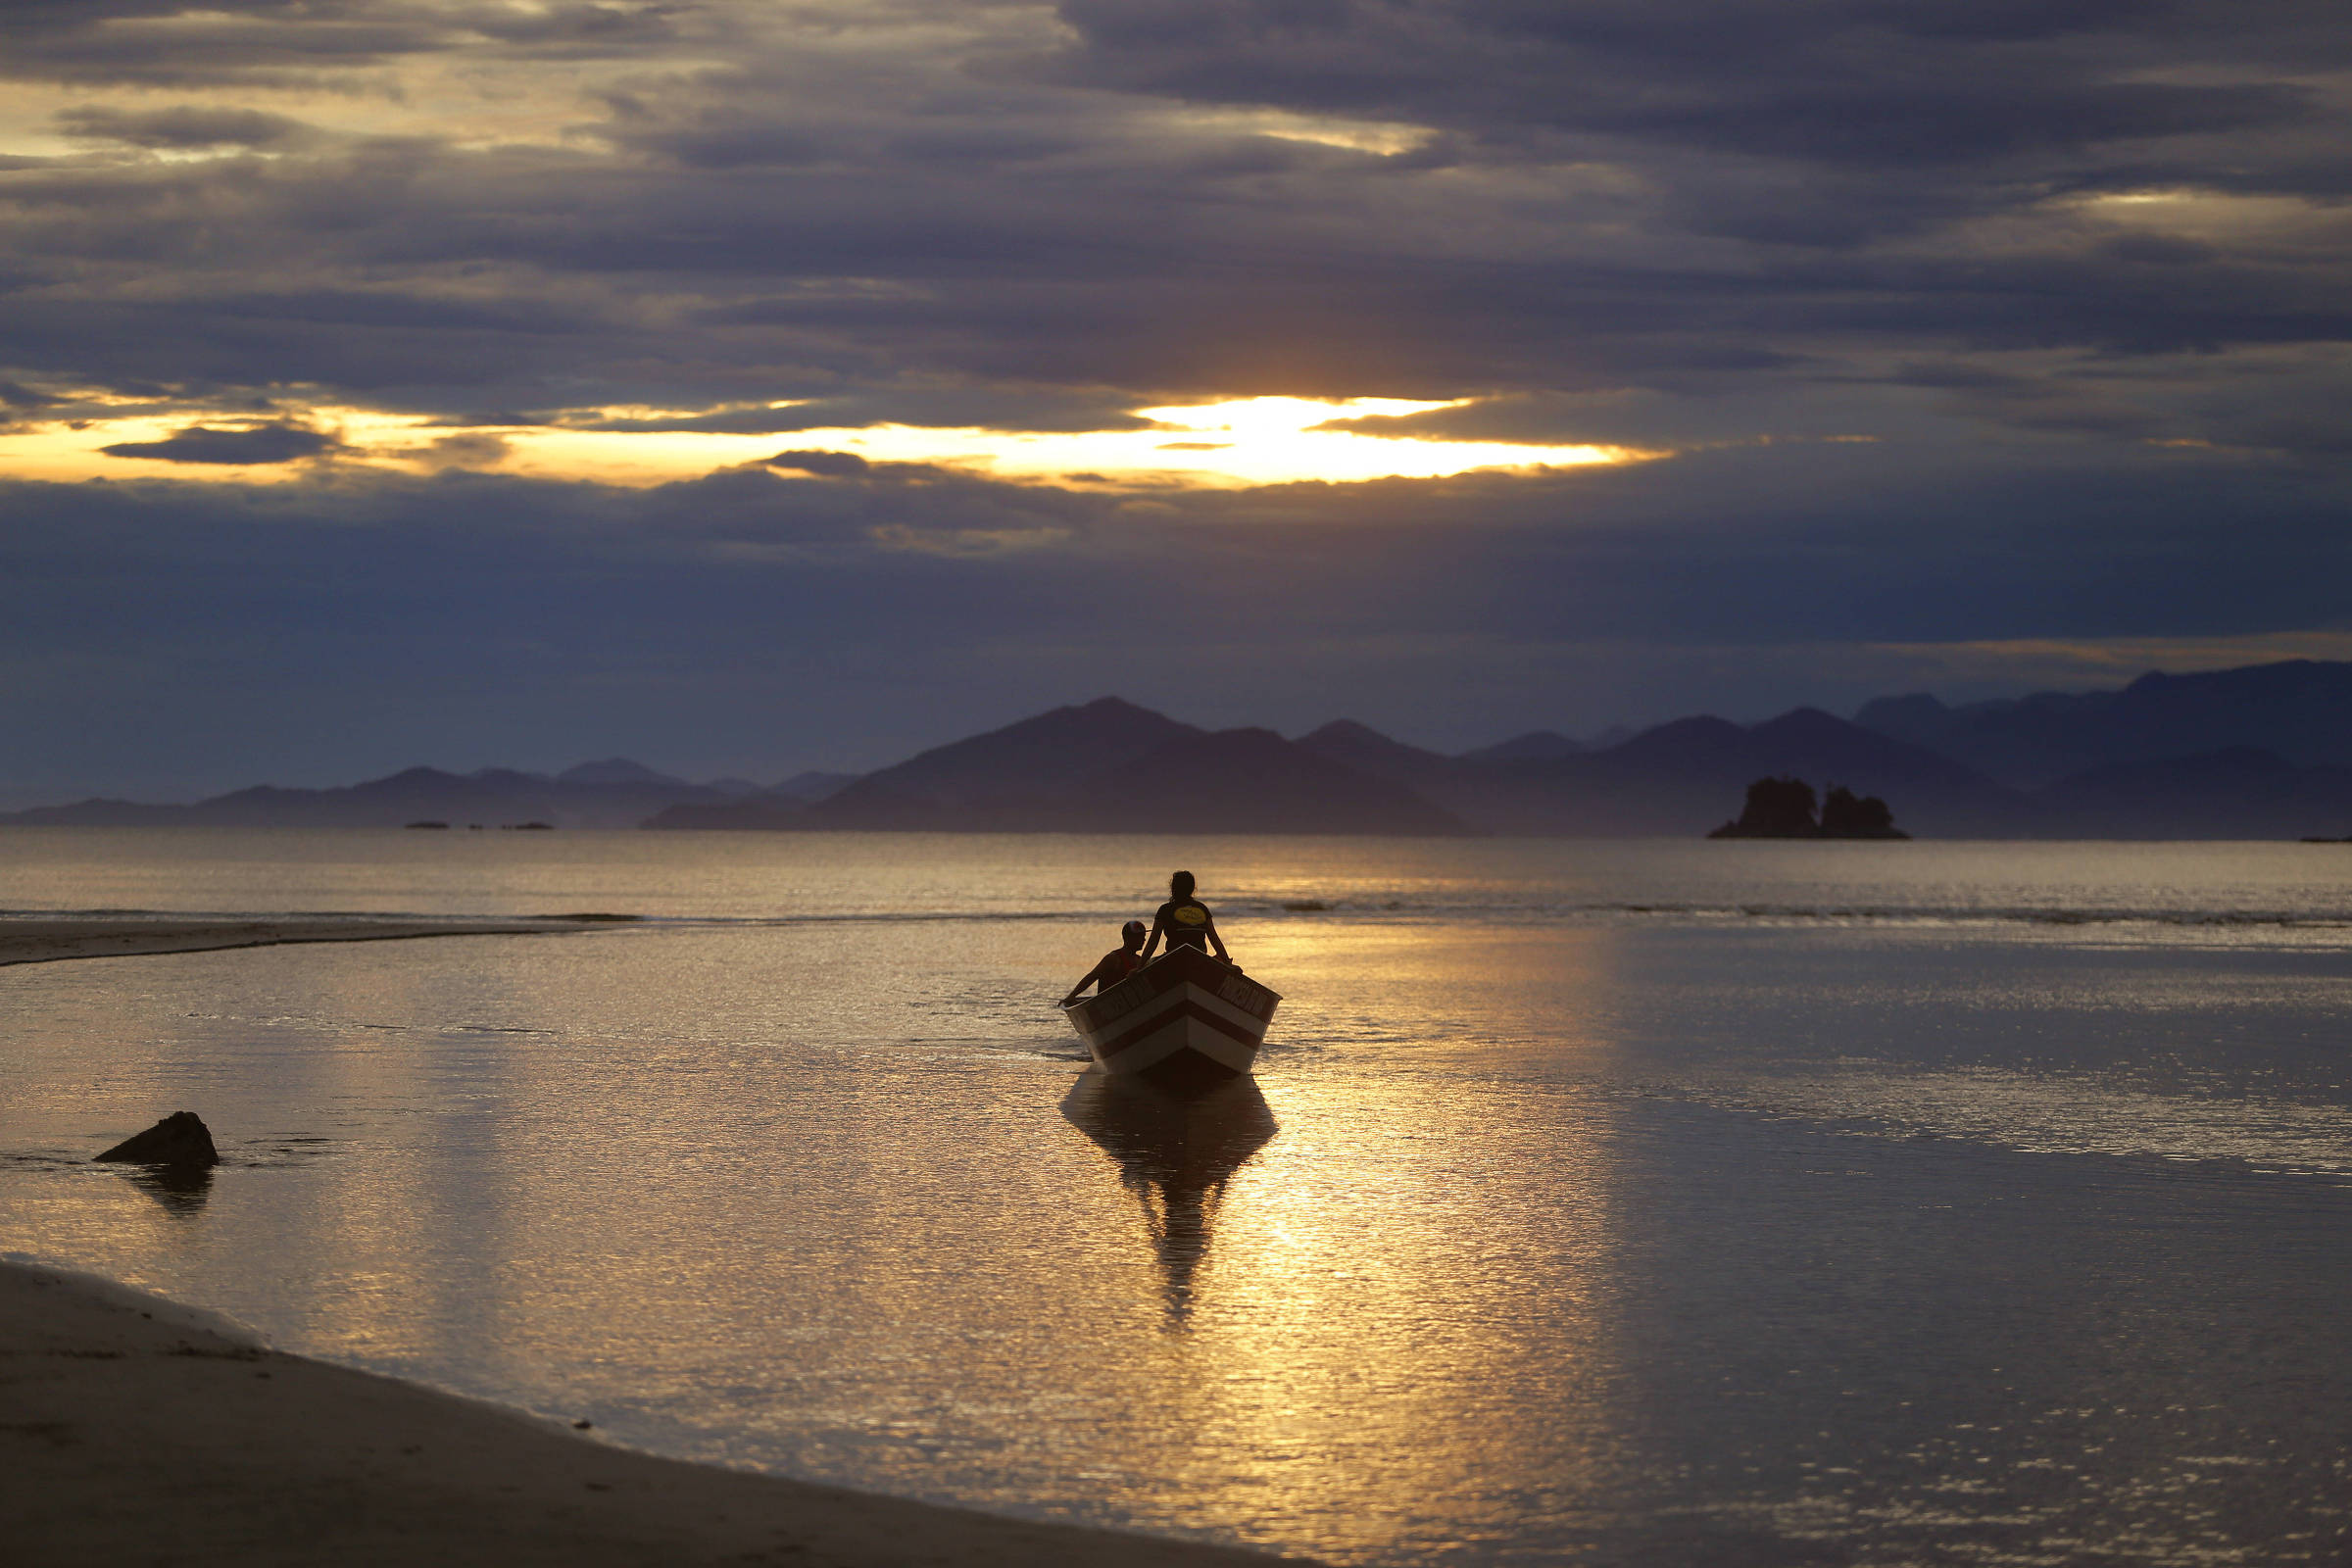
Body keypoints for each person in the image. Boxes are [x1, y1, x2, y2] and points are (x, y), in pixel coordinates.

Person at [1139, 869, 1236, 967]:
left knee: (1149, 963)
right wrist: (1228, 963)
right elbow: (1215, 940)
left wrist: (1139, 967)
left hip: (1173, 959)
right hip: (1200, 959)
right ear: (1192, 888)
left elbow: (1153, 942)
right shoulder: (1202, 909)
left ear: (1173, 888)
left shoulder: (1165, 910)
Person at [1060, 919, 1148, 1006]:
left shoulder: (1139, 960)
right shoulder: (1113, 958)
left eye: (1144, 936)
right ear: (1128, 937)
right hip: (1109, 1005)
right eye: (1140, 936)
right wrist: (1071, 996)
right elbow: (1091, 977)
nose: (1144, 939)